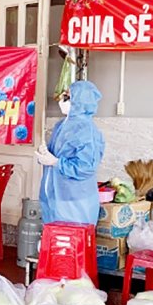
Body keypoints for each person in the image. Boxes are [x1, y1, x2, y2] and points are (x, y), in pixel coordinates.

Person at [36, 80, 105, 224]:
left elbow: (86, 167)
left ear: (80, 101)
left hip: (75, 201)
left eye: (67, 97)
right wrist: (45, 154)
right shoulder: (62, 125)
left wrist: (55, 162)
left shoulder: (86, 130)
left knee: (71, 242)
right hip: (54, 195)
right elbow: (57, 153)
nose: (62, 100)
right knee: (55, 240)